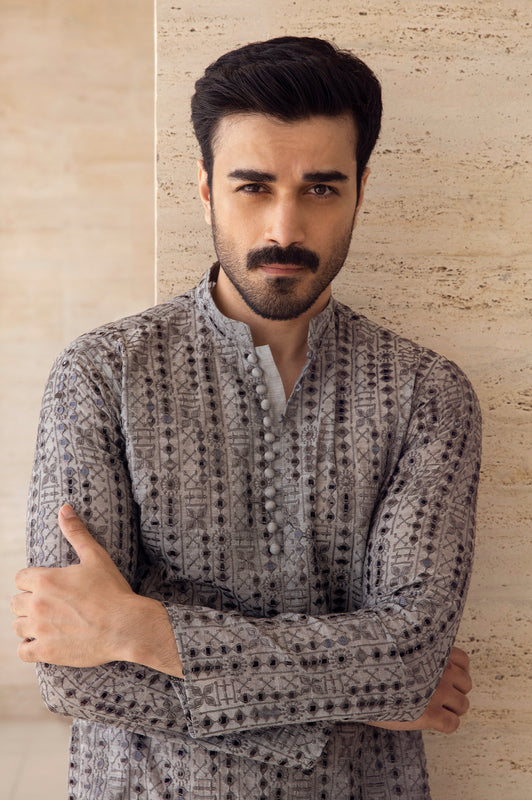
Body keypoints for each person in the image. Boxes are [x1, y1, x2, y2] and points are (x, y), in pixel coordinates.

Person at [11, 36, 481, 800]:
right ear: (205, 188)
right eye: (252, 187)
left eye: (320, 188)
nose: (283, 229)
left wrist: (142, 633)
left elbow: (410, 660)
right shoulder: (100, 375)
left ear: (361, 189)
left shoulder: (426, 395)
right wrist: (359, 695)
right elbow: (73, 675)